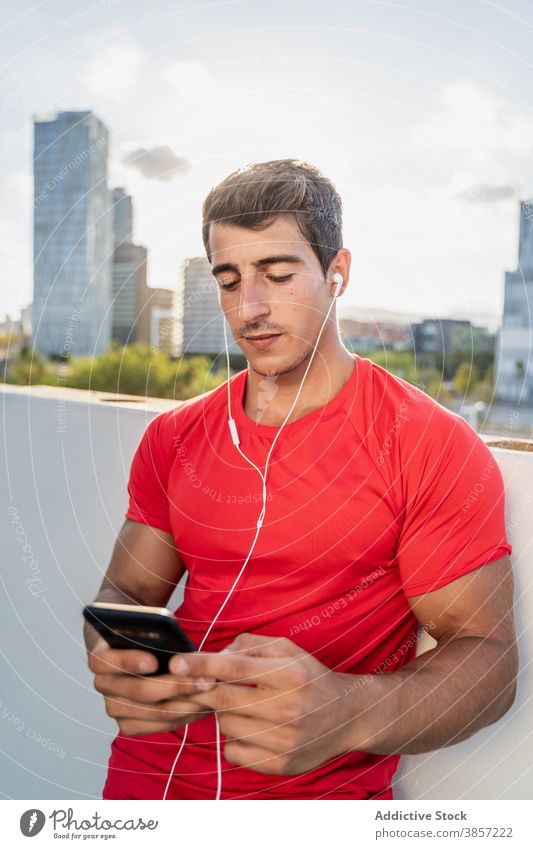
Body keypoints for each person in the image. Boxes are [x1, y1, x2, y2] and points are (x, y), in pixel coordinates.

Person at [84, 159, 517, 800]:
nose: (249, 308)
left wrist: (349, 711)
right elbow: (127, 585)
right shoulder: (174, 437)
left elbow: (488, 657)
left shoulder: (424, 442)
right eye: (229, 282)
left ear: (336, 274)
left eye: (278, 275)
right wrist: (115, 654)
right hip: (143, 789)